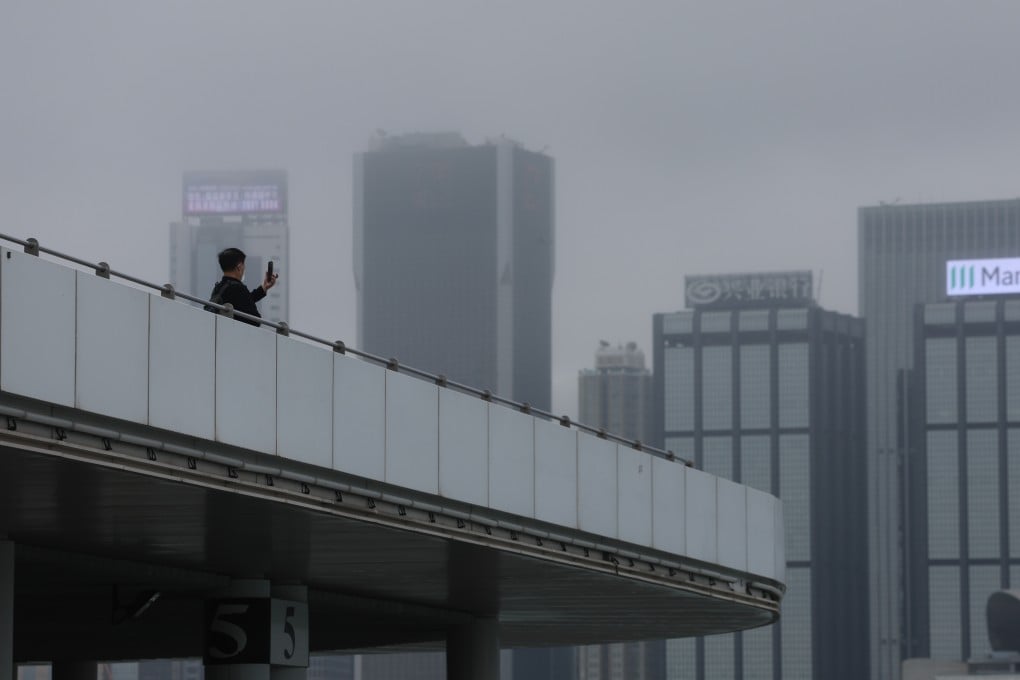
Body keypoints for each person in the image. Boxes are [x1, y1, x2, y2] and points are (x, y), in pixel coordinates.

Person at [207, 247, 278, 327]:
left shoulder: (219, 287)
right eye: (244, 265)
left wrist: (264, 288)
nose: (244, 268)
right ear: (239, 267)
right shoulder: (238, 288)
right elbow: (255, 320)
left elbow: (242, 302)